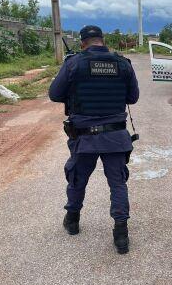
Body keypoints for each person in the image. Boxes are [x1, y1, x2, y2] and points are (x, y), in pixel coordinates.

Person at [49, 25, 139, 254]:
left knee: (77, 179)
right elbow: (133, 98)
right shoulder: (123, 64)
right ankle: (121, 235)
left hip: (84, 137)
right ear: (103, 40)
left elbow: (55, 94)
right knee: (117, 183)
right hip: (115, 137)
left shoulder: (74, 63)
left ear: (82, 43)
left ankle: (72, 221)